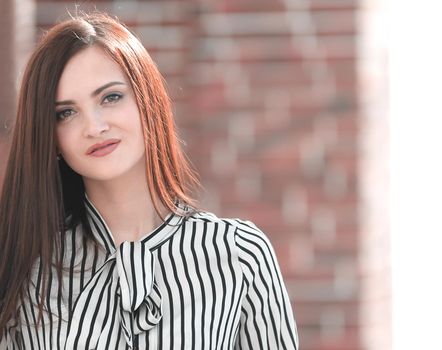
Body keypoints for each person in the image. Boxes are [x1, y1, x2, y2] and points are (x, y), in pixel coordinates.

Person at [0, 12, 299, 350]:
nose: (94, 127)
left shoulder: (238, 254)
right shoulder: (28, 267)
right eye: (66, 113)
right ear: (50, 136)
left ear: (147, 101)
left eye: (110, 97)